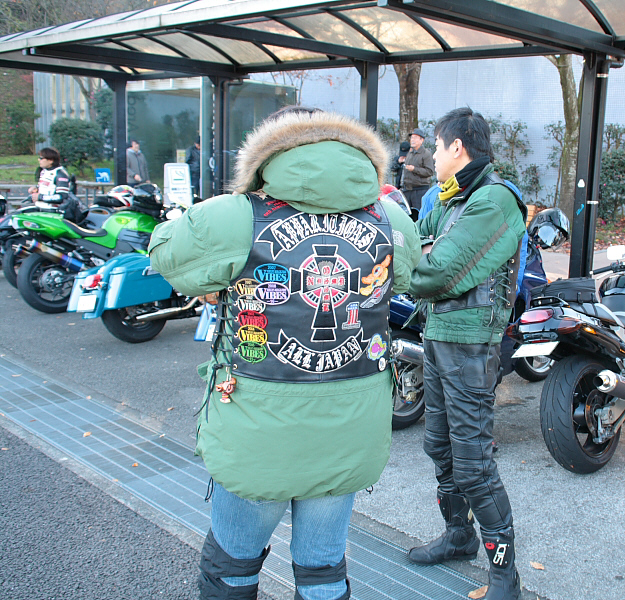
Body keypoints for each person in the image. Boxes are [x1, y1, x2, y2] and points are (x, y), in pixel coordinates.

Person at [148, 106, 420, 600]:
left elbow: (166, 253)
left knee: (233, 563)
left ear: (268, 150)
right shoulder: (391, 217)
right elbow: (407, 275)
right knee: (323, 567)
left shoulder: (234, 215)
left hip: (258, 429)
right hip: (349, 429)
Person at [407, 107, 526, 600]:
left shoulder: (494, 200)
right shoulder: (451, 198)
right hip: (437, 337)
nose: (431, 156)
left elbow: (433, 272)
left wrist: (428, 254)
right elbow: (416, 246)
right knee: (439, 447)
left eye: (436, 147)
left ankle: (505, 575)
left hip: (472, 345)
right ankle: (459, 537)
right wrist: (427, 251)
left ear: (457, 147)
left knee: (474, 463)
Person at [28, 147, 84, 222]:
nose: (39, 160)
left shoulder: (60, 174)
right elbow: (48, 187)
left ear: (50, 160)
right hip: (40, 209)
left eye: (41, 158)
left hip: (53, 212)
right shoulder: (44, 171)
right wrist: (36, 189)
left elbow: (62, 197)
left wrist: (40, 197)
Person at [401, 127, 435, 211]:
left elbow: (430, 171)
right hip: (407, 190)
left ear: (421, 140)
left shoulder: (426, 154)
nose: (412, 140)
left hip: (419, 191)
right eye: (412, 137)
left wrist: (414, 169)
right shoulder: (410, 153)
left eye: (415, 137)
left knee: (418, 214)